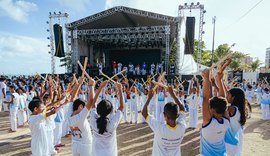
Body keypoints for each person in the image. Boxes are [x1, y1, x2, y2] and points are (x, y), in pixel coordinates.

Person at [142, 85, 186, 156]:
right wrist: (173, 95)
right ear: (177, 115)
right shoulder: (182, 126)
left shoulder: (159, 128)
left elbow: (144, 113)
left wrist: (149, 98)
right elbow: (182, 108)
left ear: (164, 115)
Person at [200, 69, 230, 156]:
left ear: (212, 109)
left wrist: (206, 78)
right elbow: (222, 100)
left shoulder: (208, 122)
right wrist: (218, 80)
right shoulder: (226, 121)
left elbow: (206, 98)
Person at [90, 81, 124, 156]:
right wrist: (120, 89)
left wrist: (100, 87)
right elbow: (121, 107)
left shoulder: (94, 121)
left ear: (98, 110)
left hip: (96, 153)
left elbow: (93, 105)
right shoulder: (112, 124)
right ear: (111, 111)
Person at [225, 88, 247, 156]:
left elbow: (221, 102)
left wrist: (219, 81)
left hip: (231, 140)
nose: (226, 97)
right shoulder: (240, 108)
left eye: (228, 95)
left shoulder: (232, 109)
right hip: (237, 137)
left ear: (233, 97)